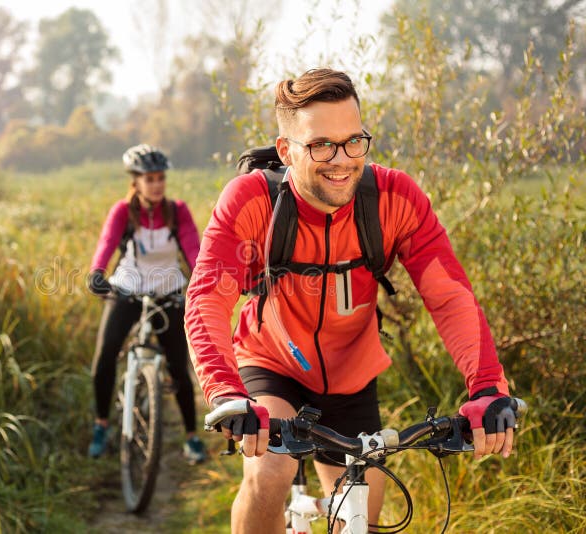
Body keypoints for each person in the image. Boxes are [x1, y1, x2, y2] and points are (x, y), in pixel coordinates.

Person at [184, 68, 516, 532]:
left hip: (352, 376)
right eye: (321, 144)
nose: (341, 159)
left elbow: (449, 296)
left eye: (353, 141)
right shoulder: (252, 199)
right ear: (286, 150)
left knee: (359, 511)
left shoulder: (394, 198)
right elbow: (206, 299)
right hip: (272, 364)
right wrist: (226, 391)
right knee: (270, 471)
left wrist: (487, 389)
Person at [86, 143, 206, 464]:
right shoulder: (123, 212)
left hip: (169, 292)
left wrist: (200, 277)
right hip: (127, 289)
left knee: (179, 366)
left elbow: (193, 249)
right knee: (105, 355)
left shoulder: (177, 211)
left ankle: (192, 438)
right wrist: (97, 272)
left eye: (160, 178)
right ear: (135, 181)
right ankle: (101, 426)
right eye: (149, 179)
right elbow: (107, 244)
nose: (156, 184)